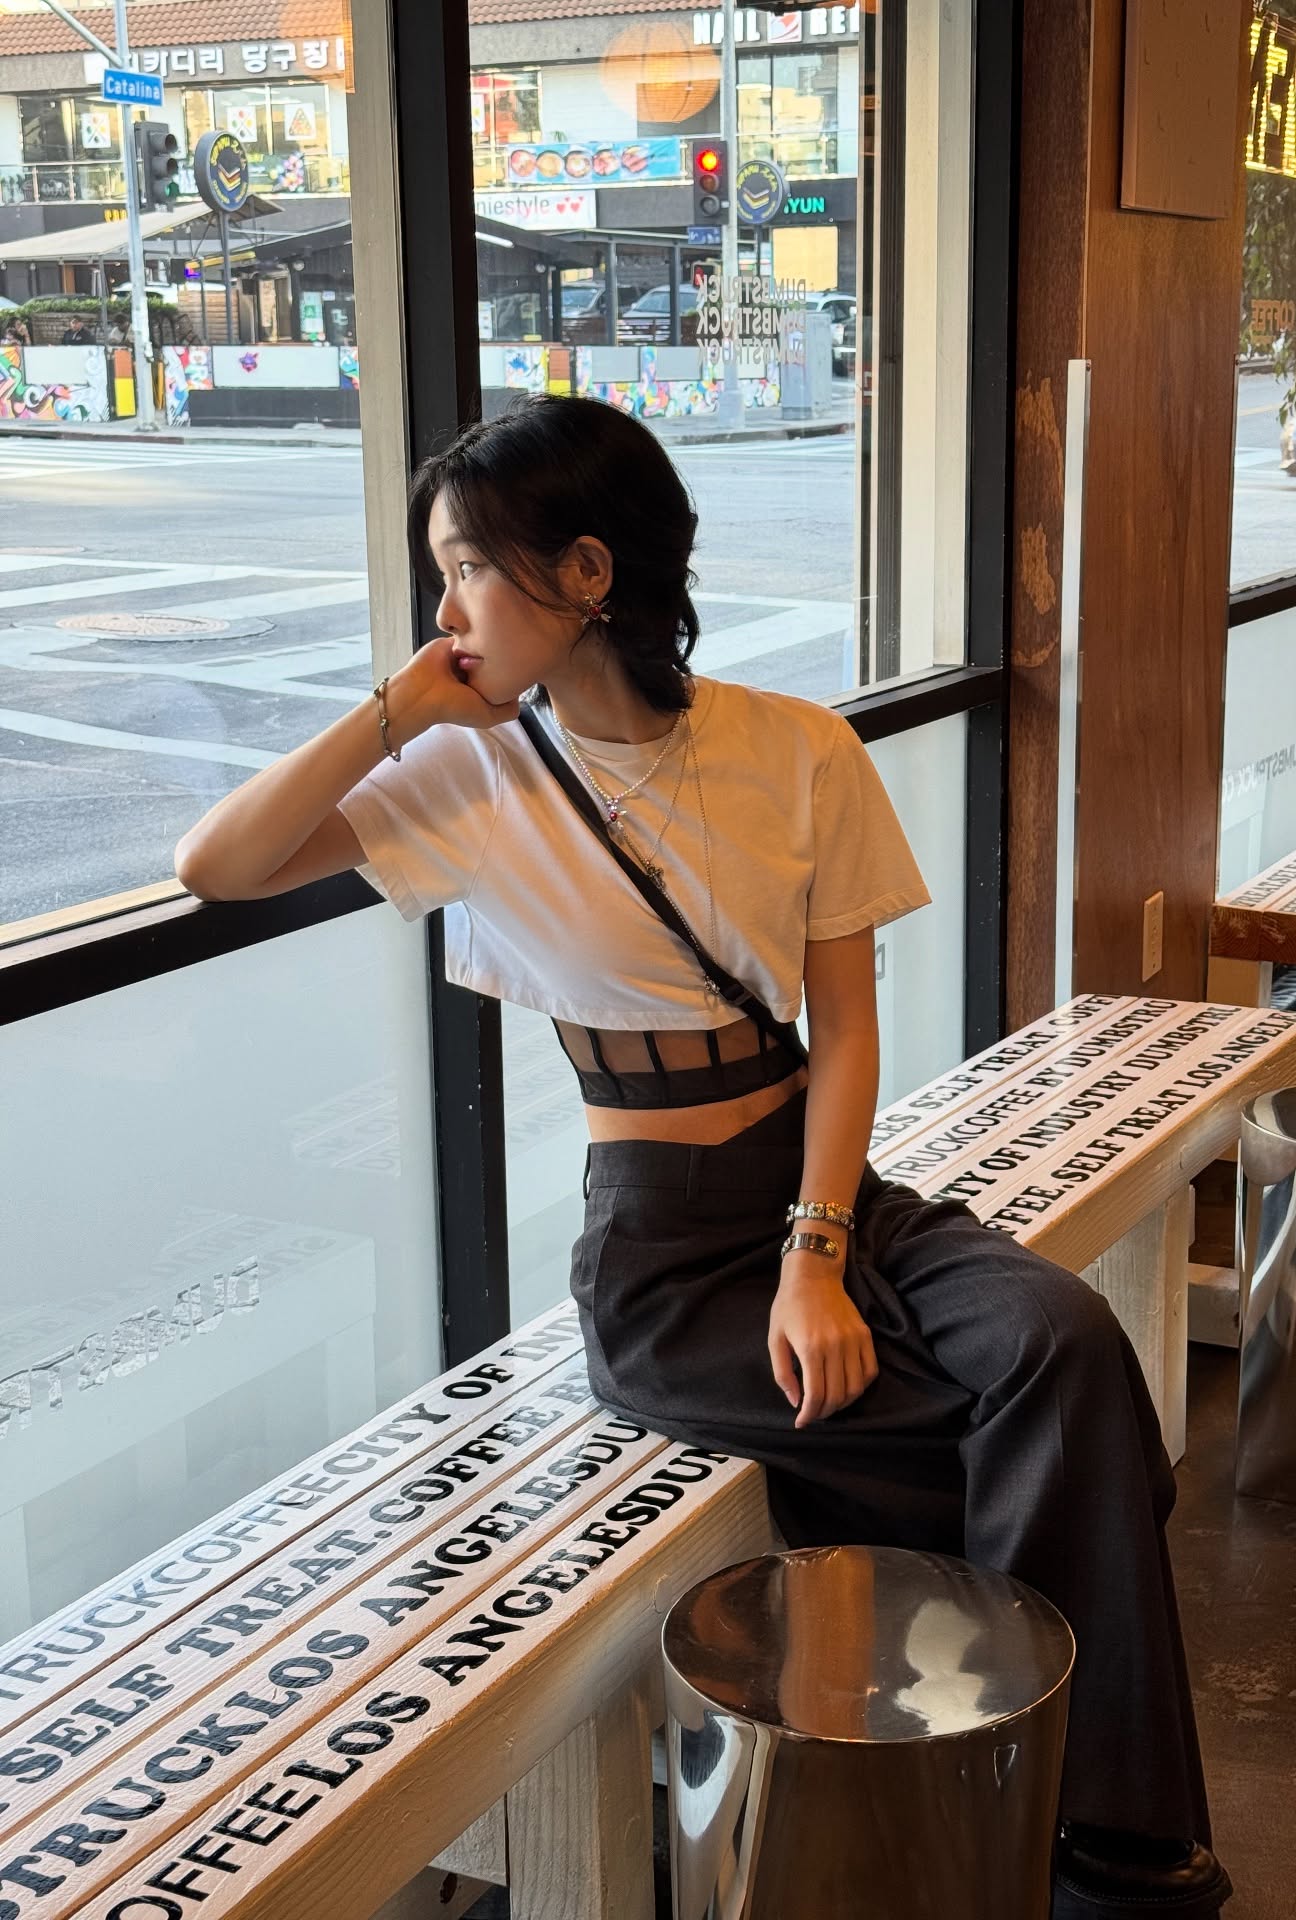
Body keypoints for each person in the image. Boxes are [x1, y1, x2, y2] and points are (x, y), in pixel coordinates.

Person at [173, 395, 1230, 1920]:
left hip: (833, 1196)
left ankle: (1064, 1824)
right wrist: (399, 708)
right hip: (665, 1259)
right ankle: (1085, 1848)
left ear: (586, 571)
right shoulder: (474, 778)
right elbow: (218, 866)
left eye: (465, 569)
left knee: (1064, 1345)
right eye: (438, 576)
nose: (446, 612)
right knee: (1006, 1431)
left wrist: (817, 1253)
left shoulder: (795, 749)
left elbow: (846, 1033)